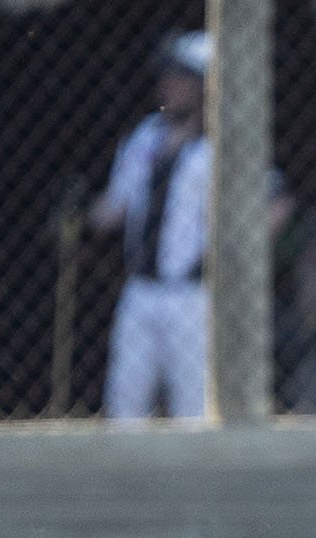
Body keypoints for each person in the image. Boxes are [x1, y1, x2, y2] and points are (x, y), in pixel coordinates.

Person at [93, 32, 212, 421]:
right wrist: (81, 217)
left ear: (204, 87)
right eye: (167, 78)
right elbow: (117, 204)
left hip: (192, 296)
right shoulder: (145, 135)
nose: (169, 86)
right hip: (140, 291)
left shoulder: (218, 146)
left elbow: (274, 203)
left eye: (182, 79)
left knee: (193, 409)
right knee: (124, 405)